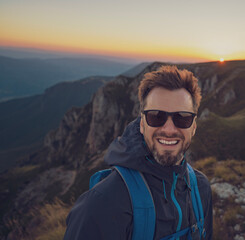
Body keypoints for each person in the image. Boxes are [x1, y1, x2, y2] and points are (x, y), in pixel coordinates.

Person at [64, 65, 213, 239]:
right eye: (156, 116)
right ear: (142, 124)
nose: (169, 129)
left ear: (194, 126)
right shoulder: (102, 204)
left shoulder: (201, 188)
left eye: (183, 117)